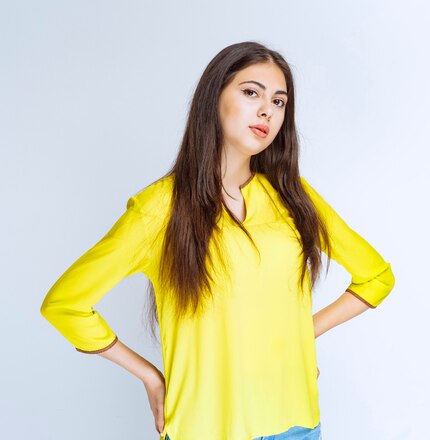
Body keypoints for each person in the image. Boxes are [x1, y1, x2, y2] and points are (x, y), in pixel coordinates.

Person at [40, 41, 396, 440]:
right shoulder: (160, 208)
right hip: (203, 428)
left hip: (296, 424)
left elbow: (376, 276)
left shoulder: (295, 196)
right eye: (251, 93)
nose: (267, 110)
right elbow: (66, 304)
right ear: (214, 98)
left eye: (279, 102)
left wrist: (299, 337)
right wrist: (150, 378)